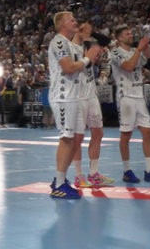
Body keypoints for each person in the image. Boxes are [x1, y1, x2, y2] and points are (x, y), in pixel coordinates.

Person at [47, 12, 101, 199]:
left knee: (74, 138)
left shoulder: (70, 44)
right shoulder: (59, 42)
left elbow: (81, 66)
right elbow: (68, 68)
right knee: (66, 138)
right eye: (71, 20)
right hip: (63, 96)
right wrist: (87, 59)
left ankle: (62, 180)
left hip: (74, 96)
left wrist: (88, 57)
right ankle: (59, 184)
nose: (76, 21)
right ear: (62, 24)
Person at [110, 25, 150, 183]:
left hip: (138, 95)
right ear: (119, 38)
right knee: (126, 134)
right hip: (125, 97)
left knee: (148, 132)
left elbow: (147, 58)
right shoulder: (115, 52)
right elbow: (128, 67)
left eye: (131, 33)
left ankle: (149, 169)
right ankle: (126, 170)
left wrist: (147, 41)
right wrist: (139, 49)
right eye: (127, 33)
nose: (130, 35)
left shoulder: (133, 51)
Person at [70, 22, 114, 188]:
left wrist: (103, 72)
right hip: (77, 96)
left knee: (98, 133)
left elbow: (106, 47)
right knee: (78, 137)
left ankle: (94, 174)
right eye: (86, 29)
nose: (90, 32)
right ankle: (78, 176)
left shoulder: (89, 44)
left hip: (91, 94)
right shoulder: (69, 46)